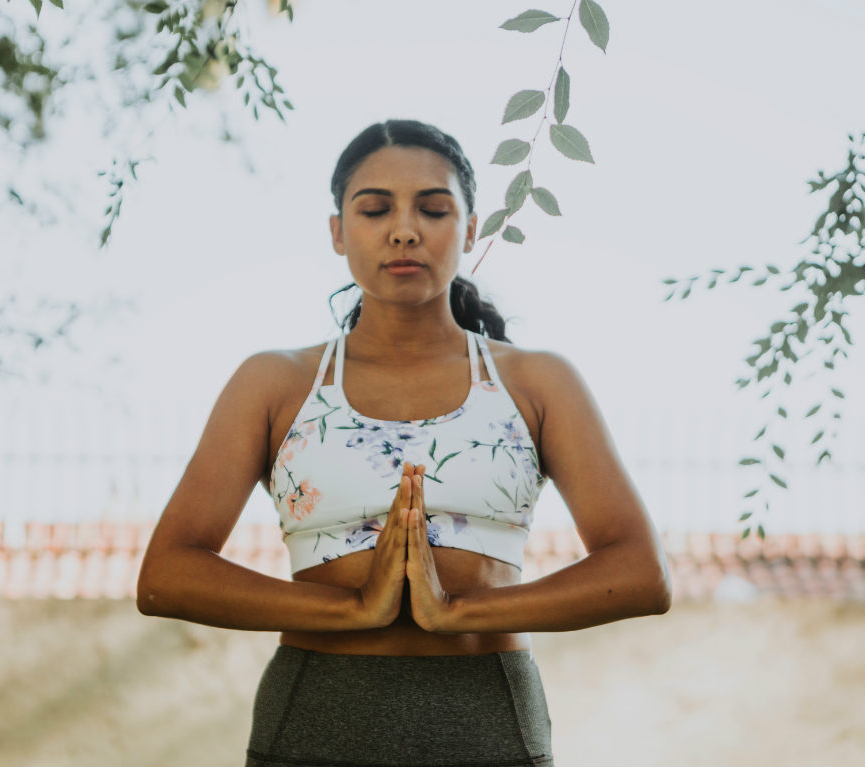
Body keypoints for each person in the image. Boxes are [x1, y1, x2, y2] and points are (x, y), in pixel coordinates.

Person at [136, 119, 672, 767]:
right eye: (374, 208)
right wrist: (352, 608)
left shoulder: (536, 381)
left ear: (470, 229)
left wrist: (459, 609)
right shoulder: (274, 382)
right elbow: (166, 575)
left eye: (434, 208)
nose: (404, 229)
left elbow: (641, 572)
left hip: (487, 717)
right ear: (338, 231)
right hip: (315, 714)